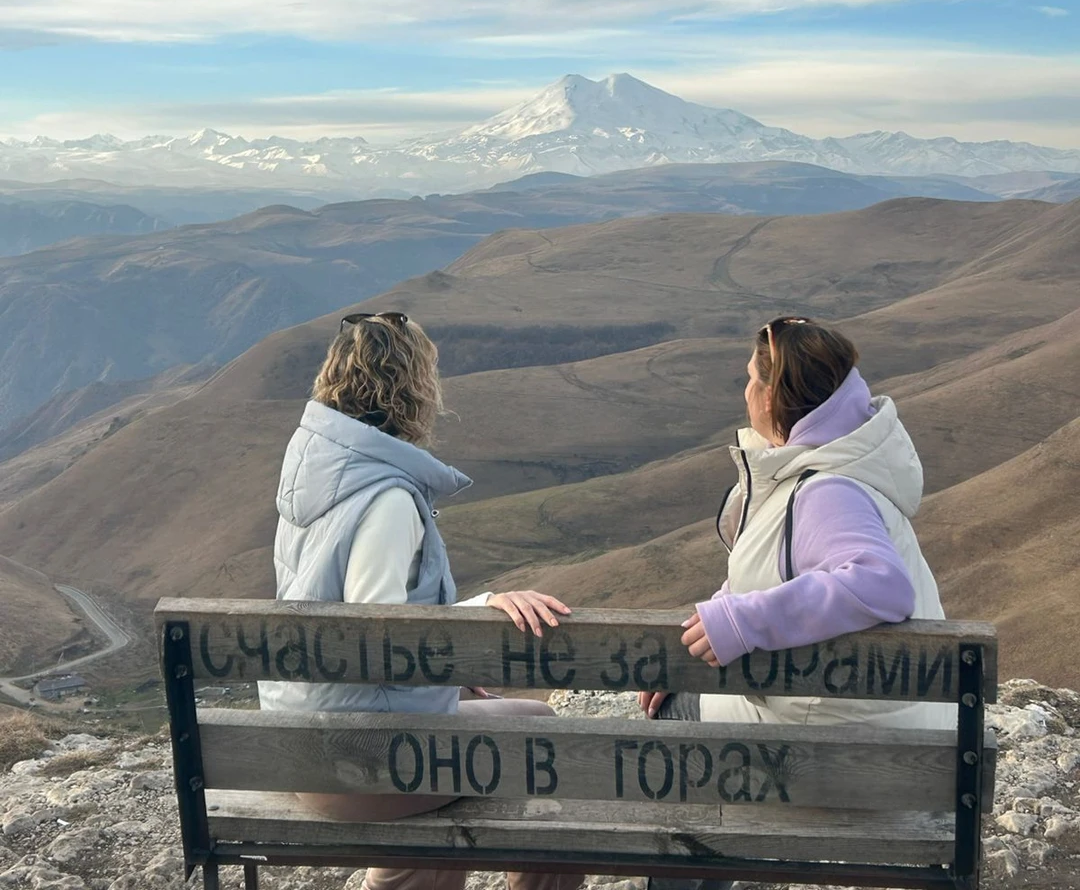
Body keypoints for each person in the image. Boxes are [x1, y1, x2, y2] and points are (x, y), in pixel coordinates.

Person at [259, 309, 583, 890]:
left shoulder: (316, 478)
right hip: (362, 763)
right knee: (542, 733)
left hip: (299, 742)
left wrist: (449, 673)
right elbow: (376, 634)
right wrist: (480, 612)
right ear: (415, 389)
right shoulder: (385, 499)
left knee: (457, 758)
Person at [639, 315, 951, 890]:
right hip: (896, 732)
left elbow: (879, 582)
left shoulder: (828, 489)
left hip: (842, 751)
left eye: (753, 380)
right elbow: (779, 567)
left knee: (672, 721)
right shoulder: (838, 461)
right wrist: (723, 612)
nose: (745, 392)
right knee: (687, 696)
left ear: (777, 399)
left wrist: (744, 620)